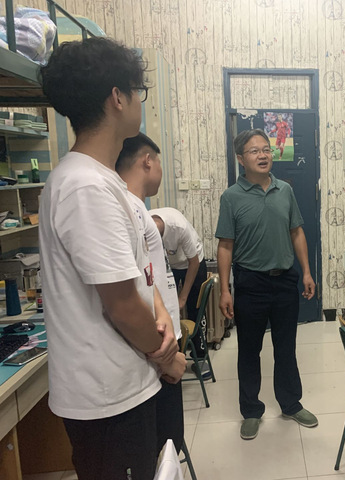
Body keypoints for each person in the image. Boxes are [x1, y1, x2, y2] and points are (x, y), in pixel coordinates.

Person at [39, 37, 185, 480]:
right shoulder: (85, 187)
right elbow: (121, 304)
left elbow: (139, 276)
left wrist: (164, 320)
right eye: (137, 91)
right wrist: (167, 358)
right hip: (107, 397)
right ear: (117, 97)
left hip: (127, 382)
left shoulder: (104, 182)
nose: (140, 100)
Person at [215, 128, 317, 440]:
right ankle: (251, 410)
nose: (262, 155)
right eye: (254, 151)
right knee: (249, 350)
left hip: (285, 280)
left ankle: (290, 403)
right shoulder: (231, 197)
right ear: (240, 159)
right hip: (251, 283)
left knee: (286, 347)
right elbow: (225, 245)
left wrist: (307, 272)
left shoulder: (284, 190)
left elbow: (296, 232)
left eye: (266, 149)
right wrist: (225, 289)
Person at [116, 132, 184, 455]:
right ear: (148, 161)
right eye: (159, 163)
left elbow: (149, 281)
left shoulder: (138, 209)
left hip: (163, 342)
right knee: (165, 445)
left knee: (169, 443)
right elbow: (135, 294)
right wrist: (167, 359)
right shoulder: (128, 208)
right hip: (157, 348)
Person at [149, 207, 208, 362]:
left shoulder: (178, 226)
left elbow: (194, 262)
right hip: (169, 265)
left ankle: (200, 355)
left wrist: (182, 298)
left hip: (193, 261)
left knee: (194, 308)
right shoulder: (144, 224)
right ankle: (177, 353)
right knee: (167, 309)